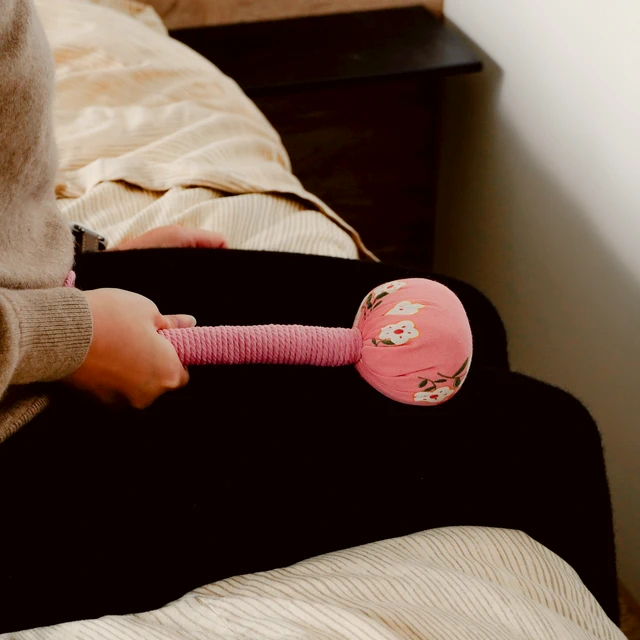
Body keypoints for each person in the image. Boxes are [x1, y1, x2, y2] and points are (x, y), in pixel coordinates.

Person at [0, 0, 619, 633]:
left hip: (39, 304)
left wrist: (70, 253)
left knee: (469, 318)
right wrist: (69, 339)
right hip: (16, 421)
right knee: (549, 441)